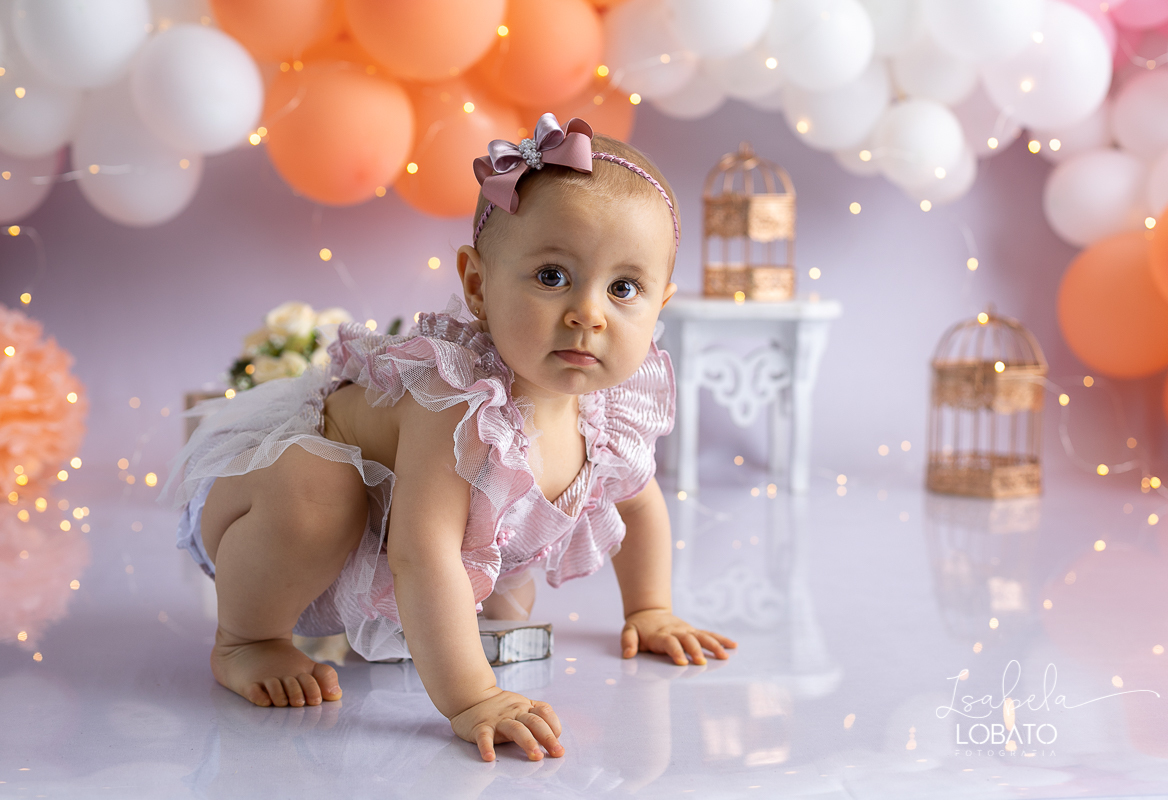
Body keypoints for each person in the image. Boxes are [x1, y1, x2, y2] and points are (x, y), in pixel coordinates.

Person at [162, 113, 737, 762]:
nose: (588, 314)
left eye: (624, 288)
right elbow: (424, 555)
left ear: (660, 307)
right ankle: (247, 638)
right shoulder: (457, 400)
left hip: (393, 550)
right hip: (271, 510)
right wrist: (472, 697)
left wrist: (650, 609)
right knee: (319, 489)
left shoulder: (609, 411)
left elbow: (639, 502)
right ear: (477, 286)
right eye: (552, 277)